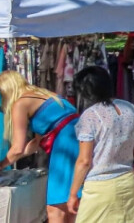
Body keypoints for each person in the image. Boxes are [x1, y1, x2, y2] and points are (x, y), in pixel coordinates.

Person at [67, 67, 134, 223]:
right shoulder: (130, 108)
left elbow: (84, 161)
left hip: (99, 187)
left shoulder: (90, 116)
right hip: (126, 182)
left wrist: (72, 194)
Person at [0, 71, 79, 222]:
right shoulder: (44, 94)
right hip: (77, 141)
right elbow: (34, 144)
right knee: (71, 204)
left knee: (55, 208)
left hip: (64, 146)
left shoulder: (20, 103)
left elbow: (17, 147)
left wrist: (2, 164)